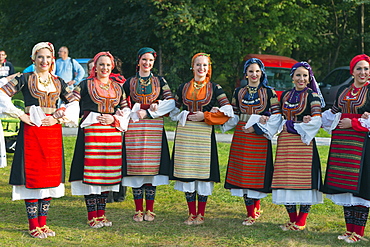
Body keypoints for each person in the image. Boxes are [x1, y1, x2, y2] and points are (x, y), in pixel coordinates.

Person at [0, 42, 79, 238]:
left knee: (49, 177)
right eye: (40, 57)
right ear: (33, 59)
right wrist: (20, 114)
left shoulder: (59, 81)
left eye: (48, 57)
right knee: (33, 176)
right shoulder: (25, 78)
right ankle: (32, 225)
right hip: (32, 132)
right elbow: (1, 94)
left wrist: (58, 116)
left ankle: (43, 224)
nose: (44, 61)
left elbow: (74, 102)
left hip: (52, 133)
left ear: (53, 59)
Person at [170, 53, 233, 225]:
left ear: (208, 68)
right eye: (198, 65)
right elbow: (173, 111)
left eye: (204, 65)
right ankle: (191, 213)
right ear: (193, 67)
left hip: (204, 135)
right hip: (186, 134)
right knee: (187, 172)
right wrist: (185, 114)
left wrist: (206, 115)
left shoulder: (215, 88)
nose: (201, 68)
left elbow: (228, 110)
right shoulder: (183, 87)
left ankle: (201, 214)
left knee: (203, 174)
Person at [69, 51, 130, 228]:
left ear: (112, 67)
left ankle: (102, 214)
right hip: (91, 136)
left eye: (107, 65)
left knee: (106, 175)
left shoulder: (118, 87)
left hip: (111, 136)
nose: (104, 68)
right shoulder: (85, 84)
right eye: (101, 64)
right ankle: (92, 216)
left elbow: (126, 110)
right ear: (95, 67)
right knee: (91, 175)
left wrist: (114, 119)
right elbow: (72, 102)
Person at [224, 58, 282, 226]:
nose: (254, 74)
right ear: (246, 74)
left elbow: (277, 115)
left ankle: (254, 210)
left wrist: (259, 125)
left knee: (256, 171)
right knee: (243, 172)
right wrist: (219, 116)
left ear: (261, 72)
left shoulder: (269, 92)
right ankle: (251, 212)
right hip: (242, 135)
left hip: (259, 136)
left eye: (257, 71)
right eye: (251, 71)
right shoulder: (238, 92)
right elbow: (234, 113)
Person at [121, 47, 175, 222]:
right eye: (144, 60)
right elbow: (120, 101)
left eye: (150, 60)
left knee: (152, 168)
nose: (147, 63)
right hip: (135, 125)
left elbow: (171, 102)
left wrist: (156, 105)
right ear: (139, 61)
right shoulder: (130, 82)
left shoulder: (160, 81)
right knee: (136, 167)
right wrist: (134, 110)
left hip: (153, 126)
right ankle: (138, 209)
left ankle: (150, 209)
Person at [321, 54, 370, 243]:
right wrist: (313, 118)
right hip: (343, 145)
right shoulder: (343, 90)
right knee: (345, 186)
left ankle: (358, 232)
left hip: (363, 145)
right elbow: (332, 112)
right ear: (352, 71)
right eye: (359, 69)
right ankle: (349, 230)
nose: (363, 72)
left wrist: (353, 122)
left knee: (360, 188)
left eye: (366, 68)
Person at [271, 61, 324, 231]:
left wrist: (295, 125)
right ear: (292, 77)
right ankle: (292, 219)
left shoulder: (312, 96)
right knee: (286, 179)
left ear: (309, 79)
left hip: (303, 143)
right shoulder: (285, 95)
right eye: (298, 75)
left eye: (305, 76)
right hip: (286, 142)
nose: (301, 79)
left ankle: (301, 220)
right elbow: (278, 116)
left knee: (304, 181)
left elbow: (317, 120)